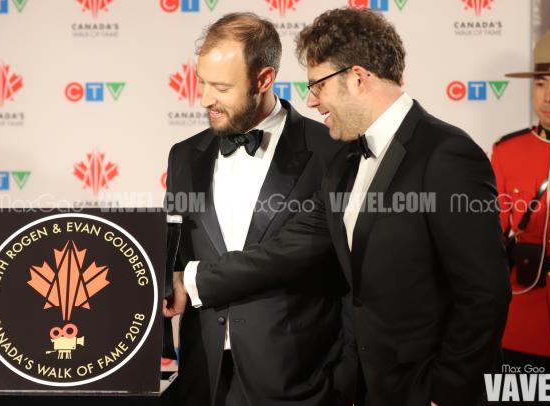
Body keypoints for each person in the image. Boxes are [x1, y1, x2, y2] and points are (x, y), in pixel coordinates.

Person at [170, 8, 511, 406]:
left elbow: (485, 293)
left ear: (358, 77)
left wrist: (448, 390)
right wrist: (188, 281)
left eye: (318, 86)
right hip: (371, 390)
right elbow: (288, 248)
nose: (311, 101)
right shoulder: (348, 163)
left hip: (427, 390)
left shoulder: (446, 154)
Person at [163, 12, 357, 406]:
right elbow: (174, 263)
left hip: (301, 384)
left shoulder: (331, 152)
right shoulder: (185, 156)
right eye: (201, 82)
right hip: (204, 381)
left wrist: (344, 381)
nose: (204, 99)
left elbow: (347, 275)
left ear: (264, 79)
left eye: (220, 86)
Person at [491, 27, 550, 400]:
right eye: (540, 84)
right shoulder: (507, 151)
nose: (548, 97)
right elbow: (491, 237)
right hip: (523, 313)